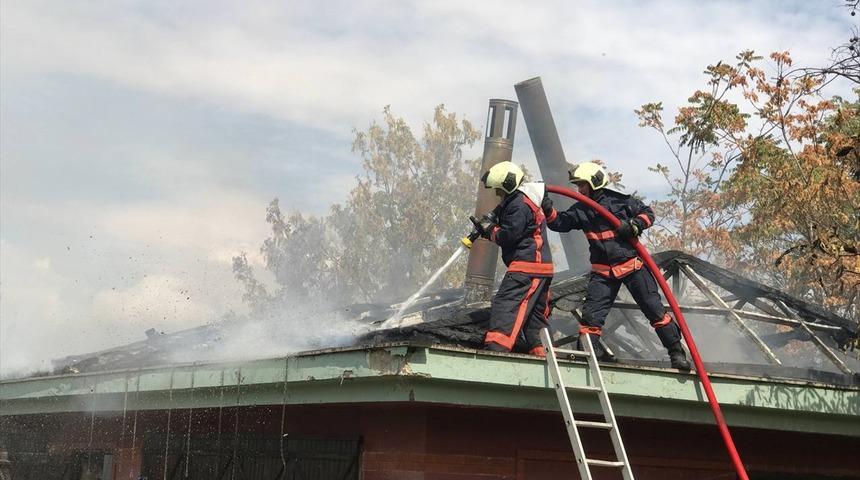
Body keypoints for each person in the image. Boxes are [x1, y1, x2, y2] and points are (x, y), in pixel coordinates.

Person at [542, 162, 692, 370]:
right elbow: (560, 223)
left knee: (655, 312)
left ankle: (677, 353)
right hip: (603, 273)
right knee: (591, 318)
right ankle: (586, 355)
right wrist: (548, 209)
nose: (579, 190)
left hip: (632, 267)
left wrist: (634, 225)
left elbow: (648, 214)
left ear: (594, 183)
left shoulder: (620, 202)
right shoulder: (582, 209)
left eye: (582, 185)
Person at [473, 161, 554, 356]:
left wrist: (490, 230)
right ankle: (542, 354)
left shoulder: (519, 204)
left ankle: (496, 351)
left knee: (506, 304)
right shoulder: (519, 201)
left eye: (500, 191)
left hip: (528, 267)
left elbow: (508, 236)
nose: (499, 195)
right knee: (533, 319)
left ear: (508, 185)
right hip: (538, 267)